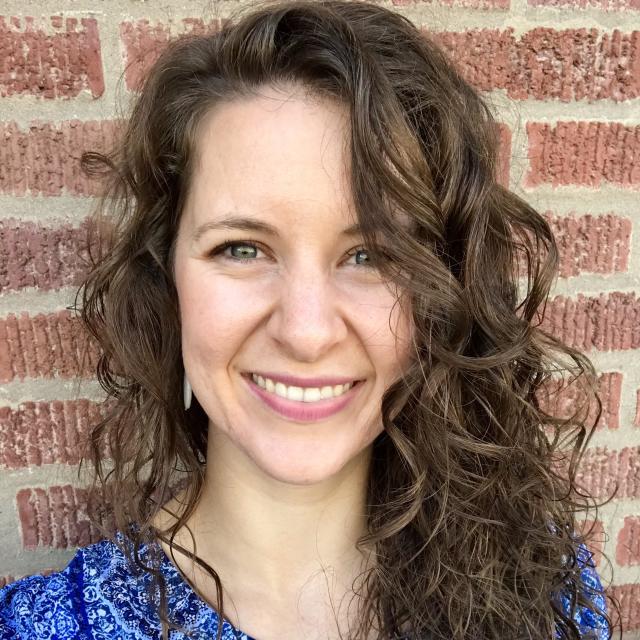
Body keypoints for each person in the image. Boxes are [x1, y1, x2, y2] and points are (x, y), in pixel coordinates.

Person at [0, 1, 615, 638]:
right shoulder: (40, 628)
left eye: (371, 255)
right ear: (166, 278)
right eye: (241, 248)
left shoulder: (546, 594)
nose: (306, 331)